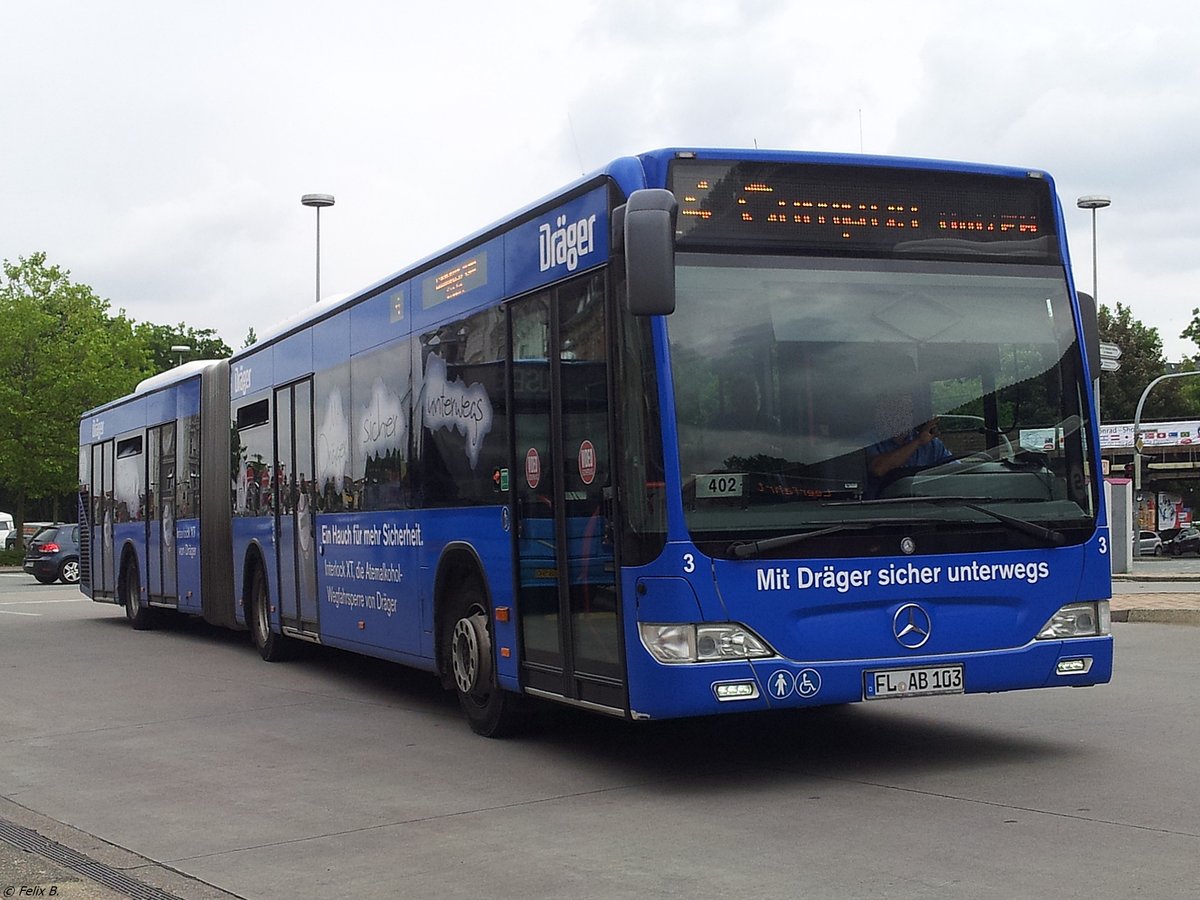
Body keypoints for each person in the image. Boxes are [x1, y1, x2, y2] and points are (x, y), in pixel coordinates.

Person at [865, 390, 954, 496]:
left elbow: (954, 470)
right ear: (881, 413)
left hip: (927, 505)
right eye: (896, 410)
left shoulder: (932, 444)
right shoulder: (867, 441)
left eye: (908, 411)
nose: (903, 416)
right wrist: (918, 442)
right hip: (880, 508)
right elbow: (878, 469)